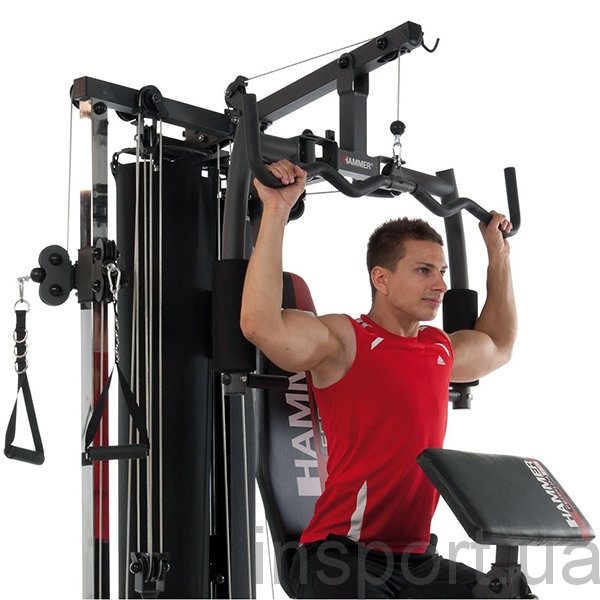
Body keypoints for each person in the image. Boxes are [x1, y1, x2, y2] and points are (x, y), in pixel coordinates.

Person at [240, 160, 517, 598]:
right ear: (381, 279)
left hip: (416, 560)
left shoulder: (439, 349)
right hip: (339, 555)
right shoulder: (344, 340)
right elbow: (262, 325)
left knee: (506, 593)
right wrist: (275, 211)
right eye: (424, 270)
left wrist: (498, 255)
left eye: (442, 272)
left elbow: (499, 344)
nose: (441, 285)